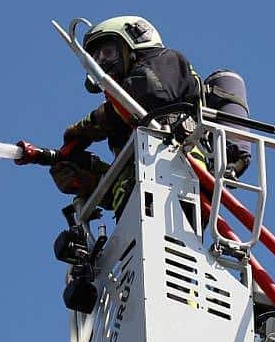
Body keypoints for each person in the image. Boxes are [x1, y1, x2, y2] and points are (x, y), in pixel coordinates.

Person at [50, 16, 201, 212]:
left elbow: (149, 94)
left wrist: (88, 127)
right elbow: (118, 192)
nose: (102, 62)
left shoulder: (164, 61)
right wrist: (87, 178)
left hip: (182, 175)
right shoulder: (127, 123)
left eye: (107, 53)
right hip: (138, 206)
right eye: (96, 59)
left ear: (136, 39)